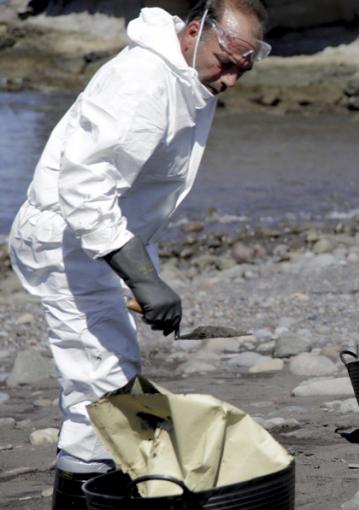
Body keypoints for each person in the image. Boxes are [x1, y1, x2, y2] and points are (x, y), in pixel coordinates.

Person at [7, 1, 269, 507]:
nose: (231, 80)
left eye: (244, 68)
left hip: (100, 243)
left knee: (112, 374)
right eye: (227, 61)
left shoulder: (190, 77)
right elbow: (84, 187)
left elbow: (131, 188)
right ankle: (88, 490)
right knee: (101, 386)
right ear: (195, 31)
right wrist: (144, 279)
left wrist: (138, 276)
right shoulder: (144, 81)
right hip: (64, 239)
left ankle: (104, 483)